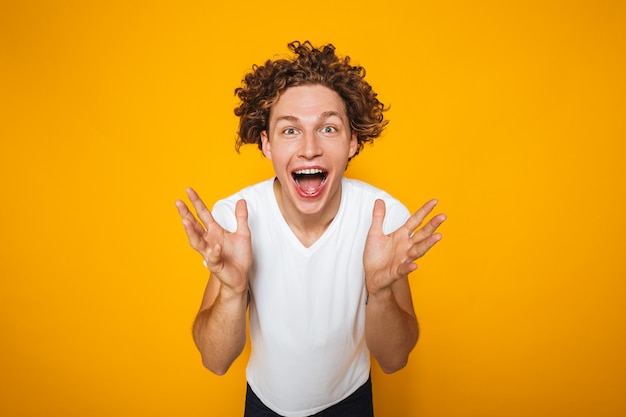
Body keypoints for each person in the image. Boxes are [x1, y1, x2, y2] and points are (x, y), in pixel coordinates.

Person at [175, 41, 446, 417]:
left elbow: (395, 359)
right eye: (289, 131)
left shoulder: (382, 218)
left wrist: (380, 293)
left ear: (352, 142)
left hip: (350, 400)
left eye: (328, 128)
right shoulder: (237, 220)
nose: (309, 149)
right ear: (266, 144)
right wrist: (232, 291)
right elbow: (215, 361)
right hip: (265, 404)